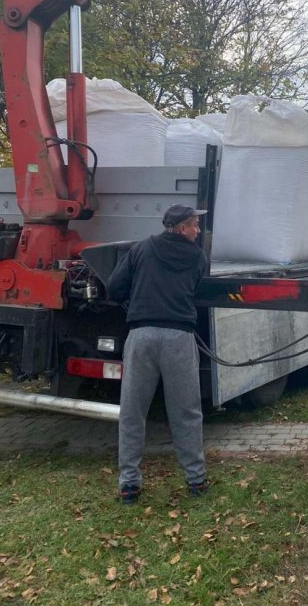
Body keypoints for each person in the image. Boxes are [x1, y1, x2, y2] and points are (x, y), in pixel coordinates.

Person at [107, 204, 209, 504]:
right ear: (179, 227)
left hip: (142, 336)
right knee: (186, 411)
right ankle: (196, 479)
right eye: (194, 225)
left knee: (132, 411)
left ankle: (129, 485)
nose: (198, 230)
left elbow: (115, 288)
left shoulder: (141, 249)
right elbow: (198, 293)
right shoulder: (198, 258)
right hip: (179, 337)